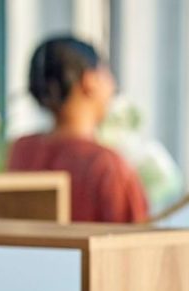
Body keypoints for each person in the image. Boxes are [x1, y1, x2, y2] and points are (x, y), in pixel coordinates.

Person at [8, 36, 149, 223]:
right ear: (89, 81)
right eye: (105, 73)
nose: (113, 85)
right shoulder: (107, 166)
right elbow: (139, 242)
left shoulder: (22, 150)